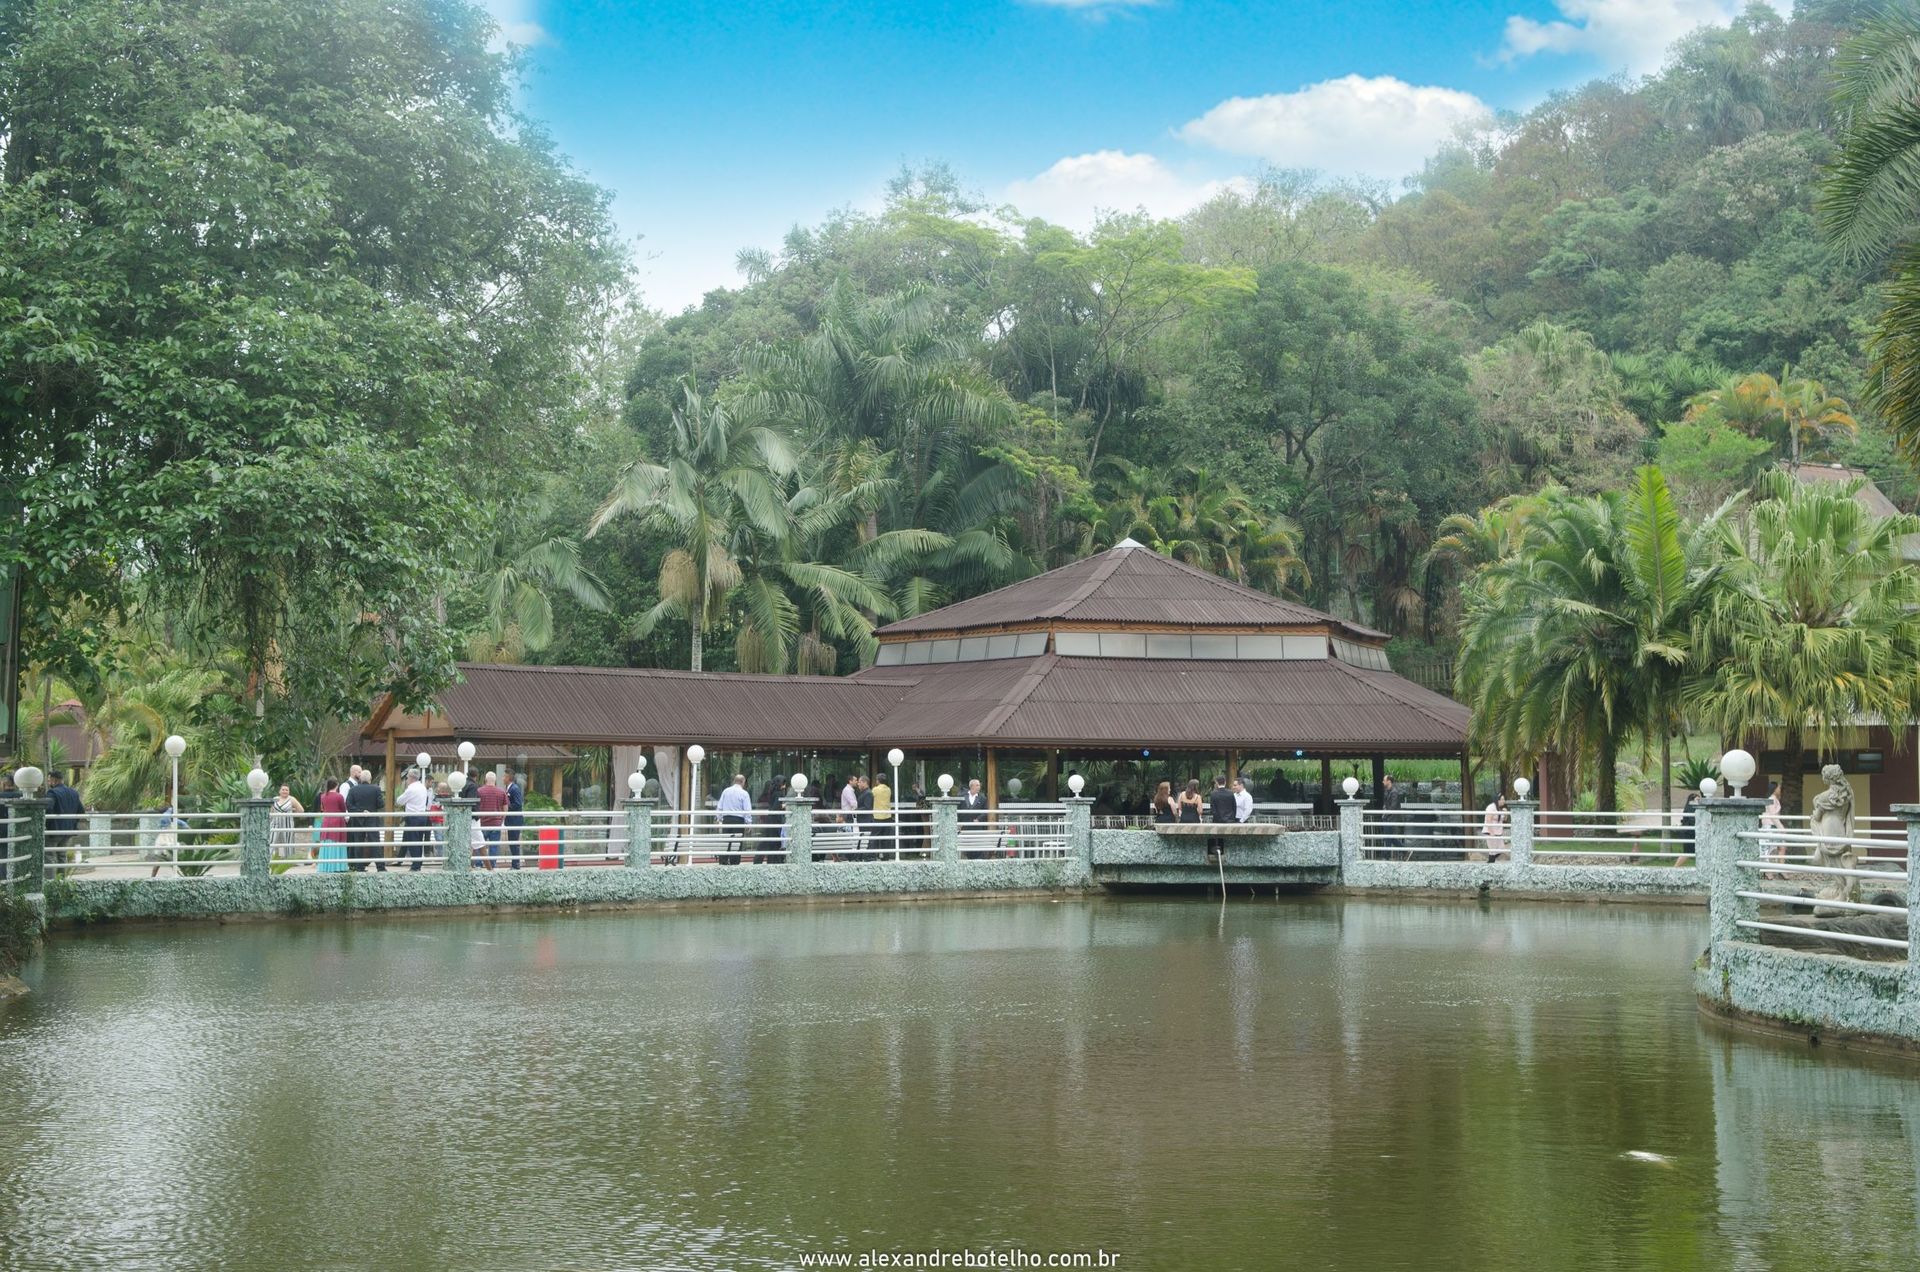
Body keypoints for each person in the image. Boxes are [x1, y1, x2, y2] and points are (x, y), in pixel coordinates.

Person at [45, 770, 84, 867]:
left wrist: (47, 825)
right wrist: (72, 823)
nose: (49, 783)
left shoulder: (52, 792)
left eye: (49, 780)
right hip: (68, 830)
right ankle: (62, 876)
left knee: (49, 855)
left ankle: (51, 877)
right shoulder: (74, 793)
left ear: (54, 780)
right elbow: (81, 811)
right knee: (62, 855)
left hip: (54, 831)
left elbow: (48, 809)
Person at [396, 768, 431, 872]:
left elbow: (399, 801)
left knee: (413, 841)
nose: (406, 779)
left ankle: (415, 866)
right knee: (418, 840)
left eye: (407, 777)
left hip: (413, 817)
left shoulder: (411, 789)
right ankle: (418, 863)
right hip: (422, 816)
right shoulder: (422, 787)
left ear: (411, 778)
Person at [715, 773, 752, 865]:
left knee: (726, 842)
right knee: (737, 843)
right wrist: (749, 823)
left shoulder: (726, 791)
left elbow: (720, 806)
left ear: (734, 781)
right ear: (743, 782)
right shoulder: (744, 794)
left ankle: (723, 862)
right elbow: (747, 810)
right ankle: (734, 863)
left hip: (726, 819)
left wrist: (718, 819)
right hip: (738, 820)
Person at [475, 771, 508, 870]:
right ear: (495, 780)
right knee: (494, 846)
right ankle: (492, 865)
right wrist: (502, 819)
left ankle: (479, 864)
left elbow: (475, 806)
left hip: (482, 822)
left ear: (485, 779)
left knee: (480, 845)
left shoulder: (479, 791)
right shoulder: (501, 792)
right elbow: (505, 807)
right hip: (496, 823)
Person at [317, 778, 348, 874]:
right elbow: (343, 809)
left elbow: (323, 808)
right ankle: (338, 866)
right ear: (337, 785)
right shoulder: (339, 796)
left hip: (326, 821)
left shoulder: (323, 796)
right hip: (337, 821)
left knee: (326, 841)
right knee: (337, 842)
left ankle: (325, 866)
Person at [271, 784, 304, 861]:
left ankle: (284, 860)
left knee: (285, 842)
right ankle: (272, 859)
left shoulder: (292, 799)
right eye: (283, 789)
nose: (284, 791)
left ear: (289, 792)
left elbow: (301, 810)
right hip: (275, 824)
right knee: (272, 840)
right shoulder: (275, 799)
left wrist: (292, 814)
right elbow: (271, 810)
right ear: (279, 791)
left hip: (287, 824)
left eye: (286, 790)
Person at [1207, 775, 1236, 860]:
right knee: (1229, 838)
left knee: (1217, 838)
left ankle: (1217, 852)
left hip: (1217, 820)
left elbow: (1213, 809)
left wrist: (1217, 818)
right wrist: (1232, 817)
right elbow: (1234, 807)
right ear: (1225, 782)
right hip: (1229, 820)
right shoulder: (1231, 793)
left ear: (1216, 783)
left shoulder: (1213, 794)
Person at [1760, 781, 1785, 873]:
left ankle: (1781, 869)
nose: (1780, 789)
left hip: (1773, 826)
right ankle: (1769, 871)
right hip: (1771, 826)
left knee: (1780, 847)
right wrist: (1781, 827)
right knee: (1772, 849)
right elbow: (1773, 815)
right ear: (1774, 789)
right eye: (1778, 788)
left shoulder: (1774, 799)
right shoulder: (1771, 799)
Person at [503, 768, 525, 868]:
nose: (503, 778)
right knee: (512, 842)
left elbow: (518, 803)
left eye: (504, 776)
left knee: (514, 842)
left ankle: (516, 864)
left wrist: (506, 807)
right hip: (511, 820)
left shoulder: (514, 789)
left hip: (515, 820)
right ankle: (515, 864)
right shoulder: (509, 788)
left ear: (508, 777)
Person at [1481, 794, 1508, 862]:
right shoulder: (1491, 807)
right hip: (1491, 831)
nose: (1503, 801)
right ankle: (1490, 864)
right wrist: (1491, 832)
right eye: (1502, 799)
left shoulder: (1500, 808)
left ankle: (1490, 862)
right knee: (1493, 851)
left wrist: (1506, 813)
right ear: (1497, 800)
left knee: (1501, 849)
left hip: (1498, 832)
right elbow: (1488, 819)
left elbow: (1504, 819)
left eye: (1504, 799)